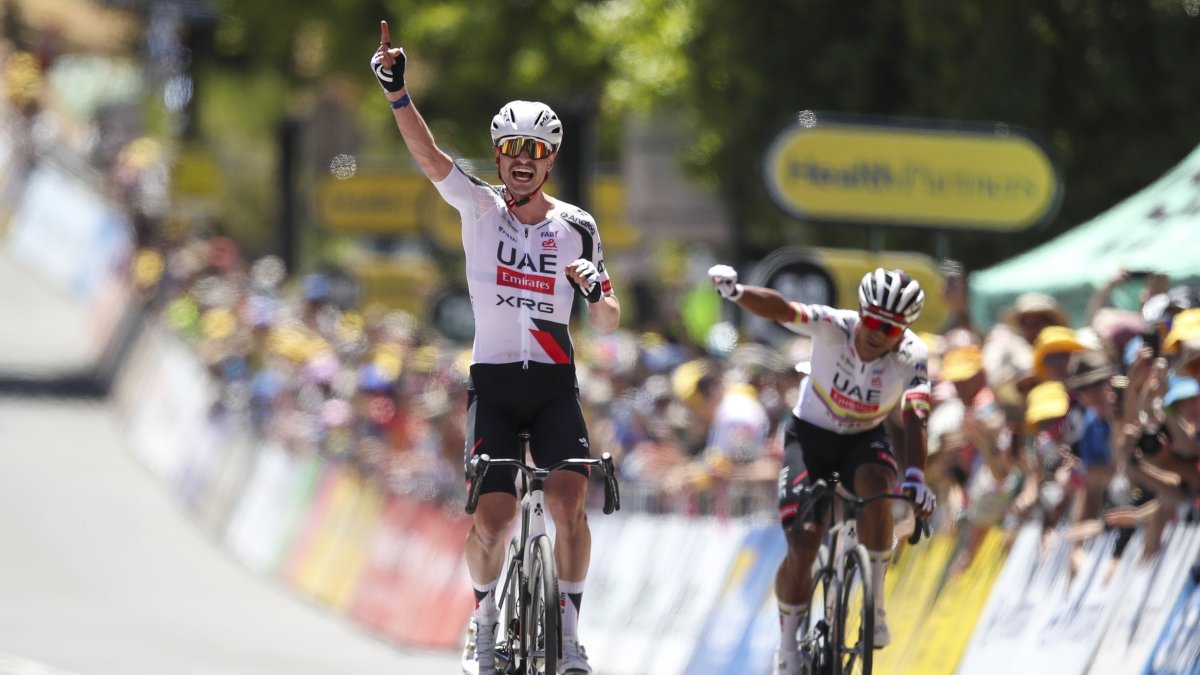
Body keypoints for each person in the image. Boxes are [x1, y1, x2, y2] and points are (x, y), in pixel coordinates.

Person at [370, 23, 621, 675]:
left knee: (569, 503)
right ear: (499, 153)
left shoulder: (577, 228)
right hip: (496, 385)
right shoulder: (479, 208)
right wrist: (399, 95)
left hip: (555, 384)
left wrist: (596, 293)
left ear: (549, 159)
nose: (519, 157)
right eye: (510, 147)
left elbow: (614, 319)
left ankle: (567, 635)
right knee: (493, 519)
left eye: (532, 149)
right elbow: (430, 158)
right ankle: (482, 622)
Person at [706, 265, 936, 675]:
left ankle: (875, 603)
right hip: (810, 437)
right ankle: (788, 646)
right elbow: (782, 309)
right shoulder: (835, 326)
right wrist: (738, 292)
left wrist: (917, 477)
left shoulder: (912, 354)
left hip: (864, 438)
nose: (879, 334)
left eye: (892, 328)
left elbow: (916, 414)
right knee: (804, 542)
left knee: (880, 486)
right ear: (861, 313)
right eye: (874, 322)